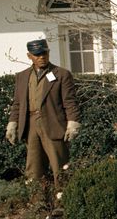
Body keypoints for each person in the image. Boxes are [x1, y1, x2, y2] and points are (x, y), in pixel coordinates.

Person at [5, 38, 80, 188]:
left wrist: (73, 122)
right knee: (34, 167)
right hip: (30, 124)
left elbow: (70, 101)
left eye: (44, 53)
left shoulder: (61, 74)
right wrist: (12, 124)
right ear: (29, 56)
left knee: (60, 166)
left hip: (53, 124)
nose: (42, 57)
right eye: (37, 54)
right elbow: (18, 103)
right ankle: (38, 203)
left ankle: (64, 201)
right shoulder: (22, 76)